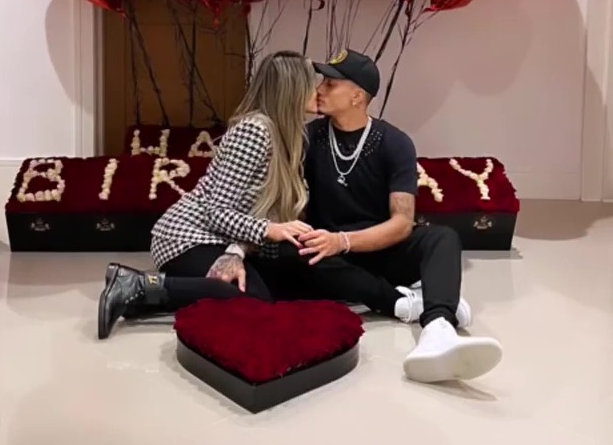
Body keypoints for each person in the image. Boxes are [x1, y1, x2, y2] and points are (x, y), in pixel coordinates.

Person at [225, 48, 504, 383]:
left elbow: (401, 223)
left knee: (442, 238)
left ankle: (439, 328)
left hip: (372, 247)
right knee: (288, 250)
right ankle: (409, 301)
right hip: (324, 257)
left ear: (357, 96)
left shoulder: (394, 143)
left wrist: (343, 241)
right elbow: (275, 203)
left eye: (330, 84)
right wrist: (240, 248)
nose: (319, 90)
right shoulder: (307, 137)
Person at [97, 50, 318, 339]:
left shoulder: (290, 135)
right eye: (313, 83)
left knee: (266, 296)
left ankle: (147, 301)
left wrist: (239, 249)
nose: (318, 90)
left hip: (222, 238)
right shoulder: (255, 130)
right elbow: (217, 211)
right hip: (187, 236)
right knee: (254, 302)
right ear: (293, 89)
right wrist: (270, 229)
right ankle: (138, 286)